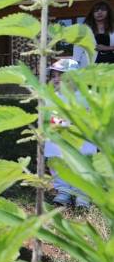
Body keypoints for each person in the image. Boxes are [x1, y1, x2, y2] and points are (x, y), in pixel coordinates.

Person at [46, 59, 96, 208]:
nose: (55, 79)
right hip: (61, 136)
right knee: (58, 160)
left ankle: (83, 194)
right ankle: (64, 191)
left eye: (60, 75)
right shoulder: (52, 96)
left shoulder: (87, 96)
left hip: (82, 137)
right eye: (54, 75)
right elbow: (52, 119)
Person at [74, 1, 114, 66]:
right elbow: (77, 50)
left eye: (103, 10)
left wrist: (107, 48)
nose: (99, 12)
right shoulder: (84, 29)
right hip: (90, 66)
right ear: (92, 14)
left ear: (108, 12)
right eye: (96, 10)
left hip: (110, 66)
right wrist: (75, 66)